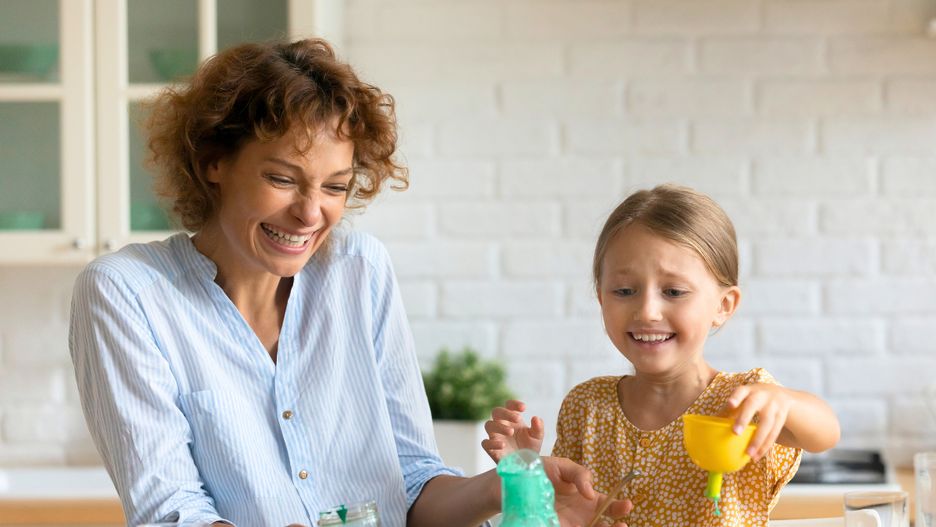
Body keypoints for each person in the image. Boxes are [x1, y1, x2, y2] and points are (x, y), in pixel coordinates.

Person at [68, 38, 632, 527]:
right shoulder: (128, 294)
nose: (310, 213)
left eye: (335, 187)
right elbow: (171, 511)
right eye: (281, 178)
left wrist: (507, 489)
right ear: (213, 161)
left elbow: (411, 483)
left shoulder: (360, 269)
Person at [482, 184, 841, 526]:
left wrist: (785, 402)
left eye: (673, 292)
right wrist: (524, 475)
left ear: (723, 305)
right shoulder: (586, 406)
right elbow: (565, 515)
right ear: (601, 297)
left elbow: (825, 433)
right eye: (625, 290)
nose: (647, 311)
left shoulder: (745, 401)